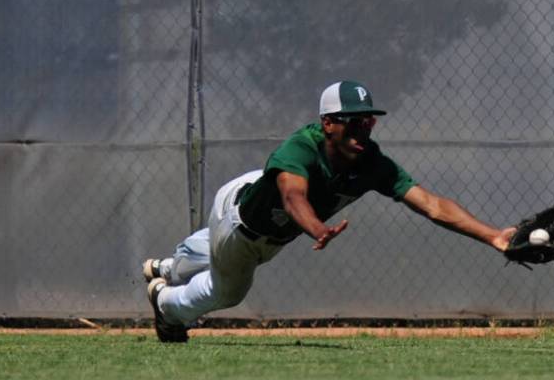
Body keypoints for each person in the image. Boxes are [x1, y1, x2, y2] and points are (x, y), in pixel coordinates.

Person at [143, 80, 515, 342]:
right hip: (243, 227)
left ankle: (164, 269)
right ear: (327, 124)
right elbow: (292, 197)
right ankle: (165, 304)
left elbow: (432, 205)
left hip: (256, 210)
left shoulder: (372, 163)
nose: (362, 128)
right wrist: (318, 229)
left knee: (197, 258)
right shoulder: (300, 149)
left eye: (367, 120)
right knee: (225, 292)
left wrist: (494, 235)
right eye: (353, 120)